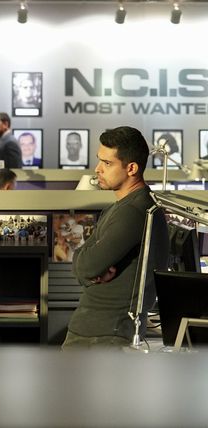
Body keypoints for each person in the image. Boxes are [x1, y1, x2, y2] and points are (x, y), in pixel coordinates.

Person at [62, 126, 169, 349]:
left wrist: (90, 268)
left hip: (106, 334)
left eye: (107, 163)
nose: (97, 169)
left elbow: (86, 267)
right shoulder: (116, 209)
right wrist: (90, 268)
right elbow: (81, 261)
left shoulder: (135, 211)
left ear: (131, 168)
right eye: (99, 160)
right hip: (94, 329)